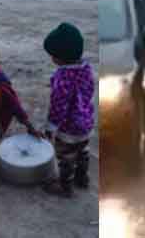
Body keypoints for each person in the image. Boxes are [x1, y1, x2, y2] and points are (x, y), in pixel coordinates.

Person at [39, 23, 95, 197]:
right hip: (86, 123)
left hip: (68, 127)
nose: (51, 58)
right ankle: (82, 178)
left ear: (60, 57)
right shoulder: (87, 69)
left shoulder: (63, 78)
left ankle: (65, 187)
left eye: (53, 55)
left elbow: (58, 106)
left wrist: (51, 128)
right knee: (82, 151)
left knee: (66, 157)